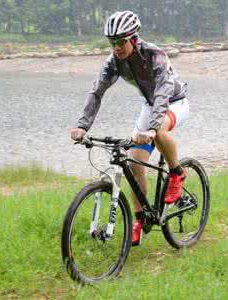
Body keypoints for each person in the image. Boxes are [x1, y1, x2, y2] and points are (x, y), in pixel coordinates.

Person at [69, 11, 190, 246]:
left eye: (121, 42)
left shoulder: (156, 56)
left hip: (175, 102)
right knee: (134, 164)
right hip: (150, 104)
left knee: (161, 130)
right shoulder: (114, 62)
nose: (116, 47)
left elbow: (164, 93)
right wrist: (82, 126)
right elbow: (97, 92)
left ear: (134, 39)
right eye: (112, 42)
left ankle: (177, 173)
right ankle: (140, 218)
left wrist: (153, 128)